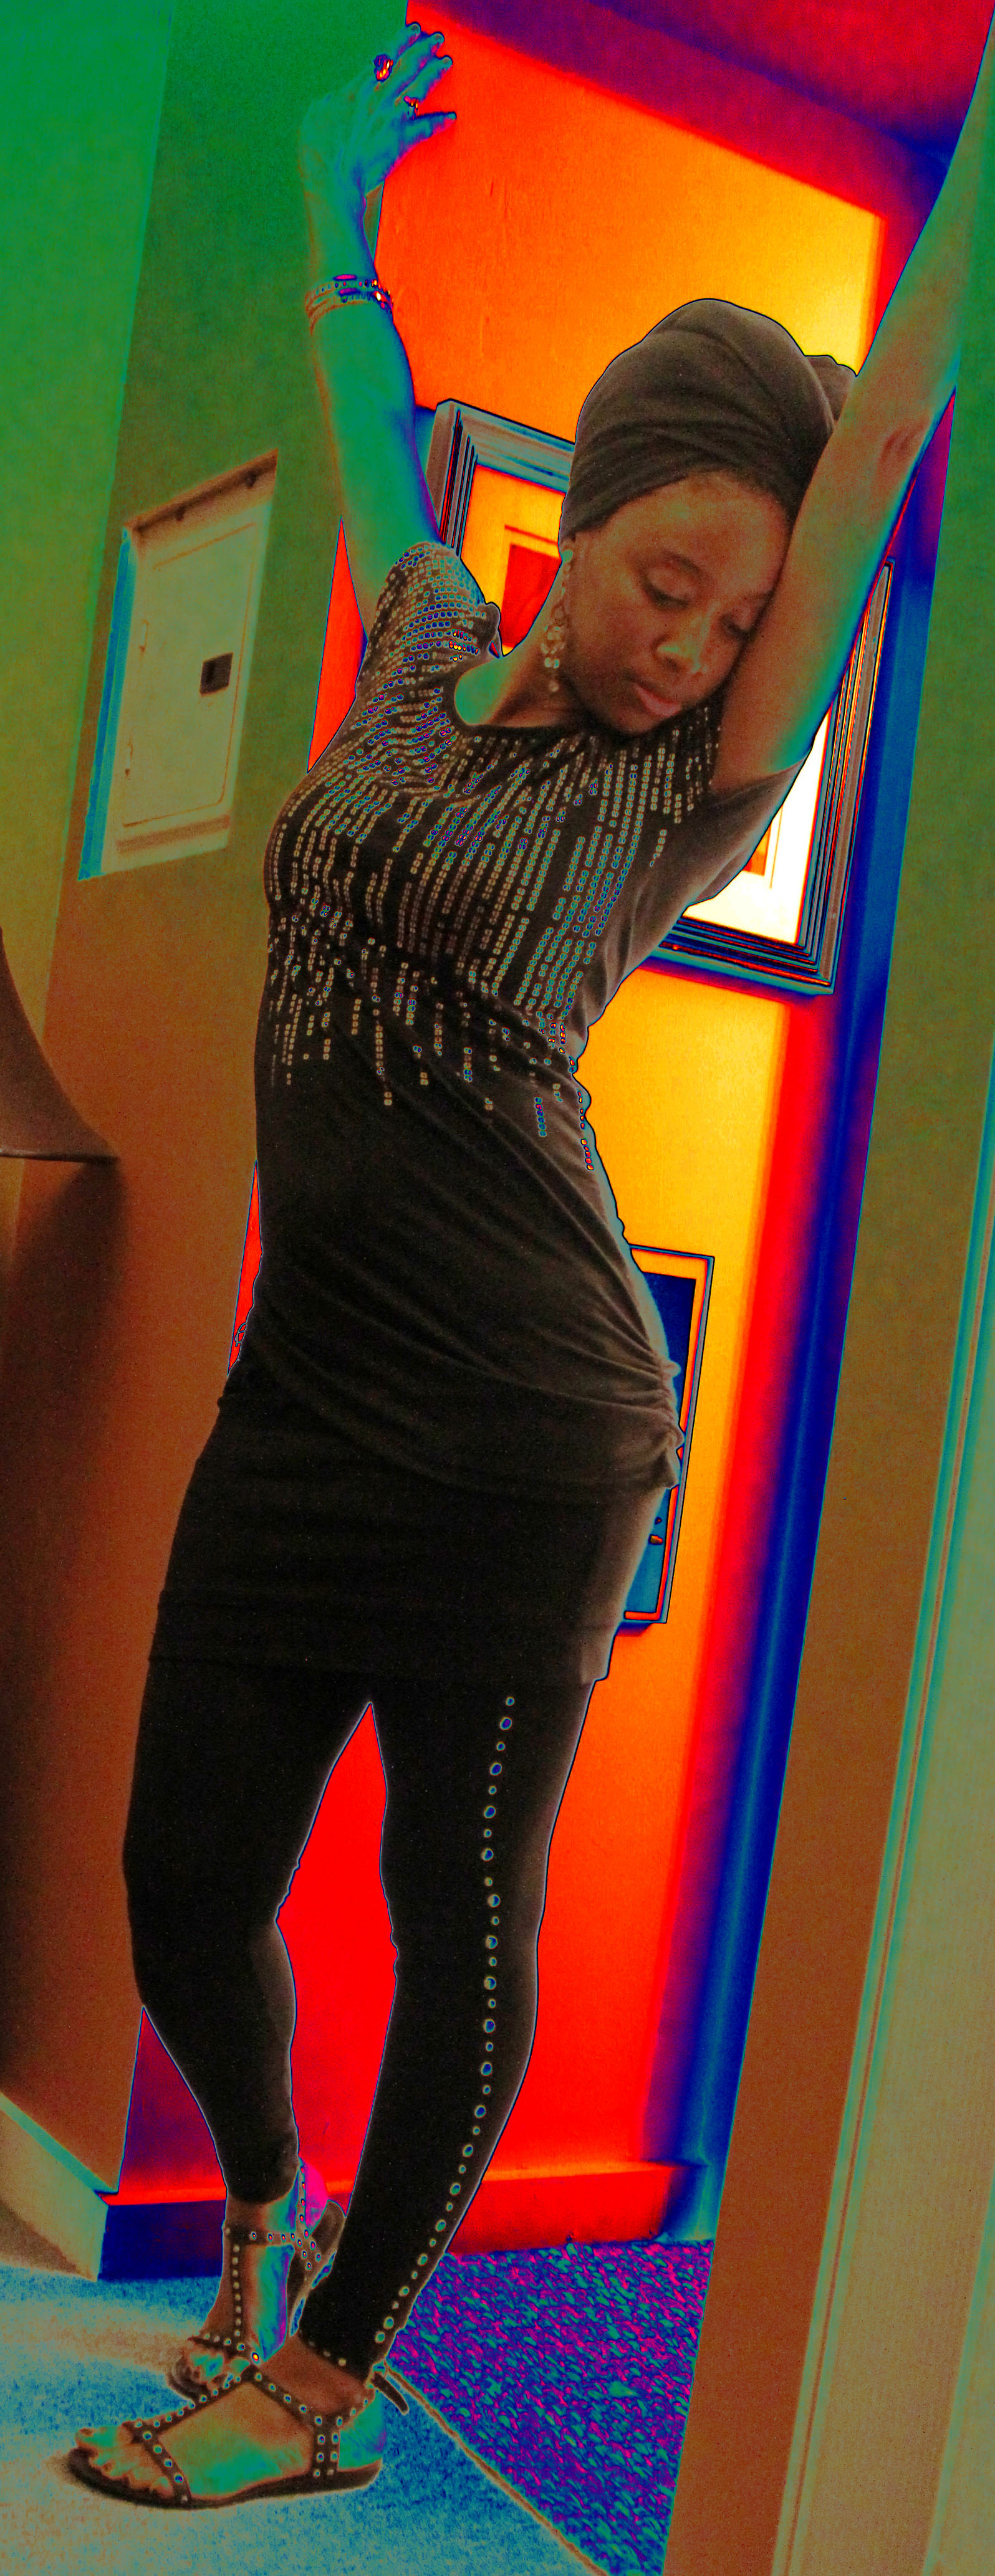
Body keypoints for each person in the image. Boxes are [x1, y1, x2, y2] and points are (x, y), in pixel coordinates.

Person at [70, 9, 993, 2511]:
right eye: (664, 579)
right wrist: (326, 197)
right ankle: (265, 2211)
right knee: (182, 1883)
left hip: (525, 1419)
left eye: (737, 615)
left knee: (450, 1900)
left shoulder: (685, 780)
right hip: (302, 1385)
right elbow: (363, 384)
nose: (689, 639)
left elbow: (879, 442)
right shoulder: (410, 641)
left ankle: (325, 2386)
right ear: (573, 524)